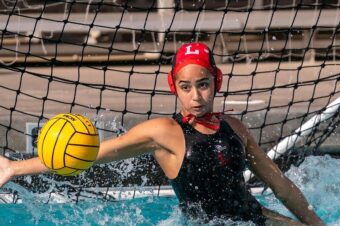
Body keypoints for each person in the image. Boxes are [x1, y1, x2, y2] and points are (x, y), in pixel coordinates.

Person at [0, 42, 325, 225]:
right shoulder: (164, 132)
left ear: (217, 82)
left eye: (203, 85)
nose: (195, 97)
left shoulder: (235, 127)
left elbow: (280, 185)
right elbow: (90, 155)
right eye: (185, 87)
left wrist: (315, 224)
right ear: (174, 87)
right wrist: (15, 167)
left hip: (256, 219)